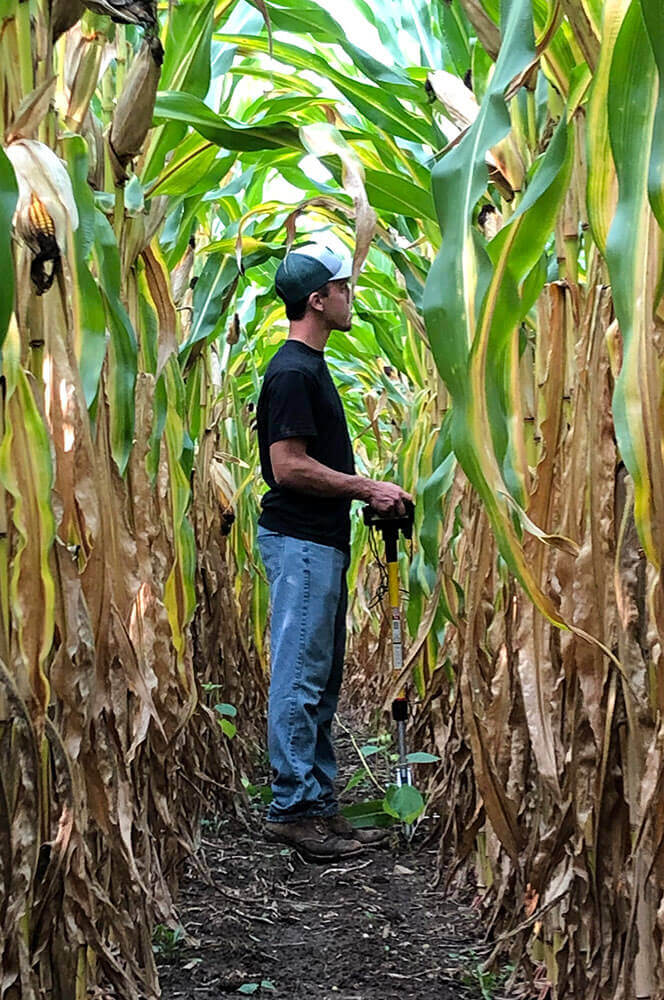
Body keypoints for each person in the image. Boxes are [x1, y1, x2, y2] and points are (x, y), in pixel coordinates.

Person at [255, 242, 413, 860]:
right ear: (317, 301)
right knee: (299, 675)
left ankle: (318, 804)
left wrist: (360, 495)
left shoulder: (309, 368)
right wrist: (365, 487)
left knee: (319, 677)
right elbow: (288, 467)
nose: (350, 298)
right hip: (299, 542)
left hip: (319, 542)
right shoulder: (293, 371)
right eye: (343, 288)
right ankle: (292, 809)